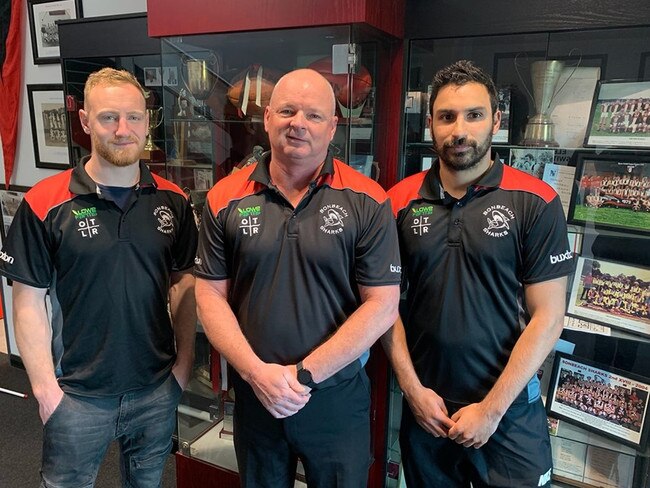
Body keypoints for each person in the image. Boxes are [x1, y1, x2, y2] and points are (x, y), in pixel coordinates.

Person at [194, 68, 401, 487]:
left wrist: (303, 375)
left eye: (314, 115)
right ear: (267, 117)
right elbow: (209, 296)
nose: (298, 123)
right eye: (287, 110)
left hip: (335, 399)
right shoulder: (224, 197)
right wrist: (256, 374)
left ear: (333, 126)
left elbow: (382, 304)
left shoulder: (368, 199)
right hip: (257, 396)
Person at [0, 67, 198, 487]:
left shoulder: (173, 201)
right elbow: (28, 302)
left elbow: (184, 285)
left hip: (156, 388)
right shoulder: (45, 204)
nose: (123, 129)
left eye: (134, 117)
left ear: (148, 121)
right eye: (109, 117)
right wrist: (45, 391)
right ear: (86, 120)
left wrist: (183, 367)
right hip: (76, 395)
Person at [383, 60, 575, 488]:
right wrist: (413, 392)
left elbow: (549, 317)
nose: (459, 130)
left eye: (474, 115)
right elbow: (383, 307)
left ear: (496, 120)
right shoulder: (397, 202)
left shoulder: (535, 201)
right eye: (446, 117)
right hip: (428, 411)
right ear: (430, 123)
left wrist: (490, 409)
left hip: (509, 411)